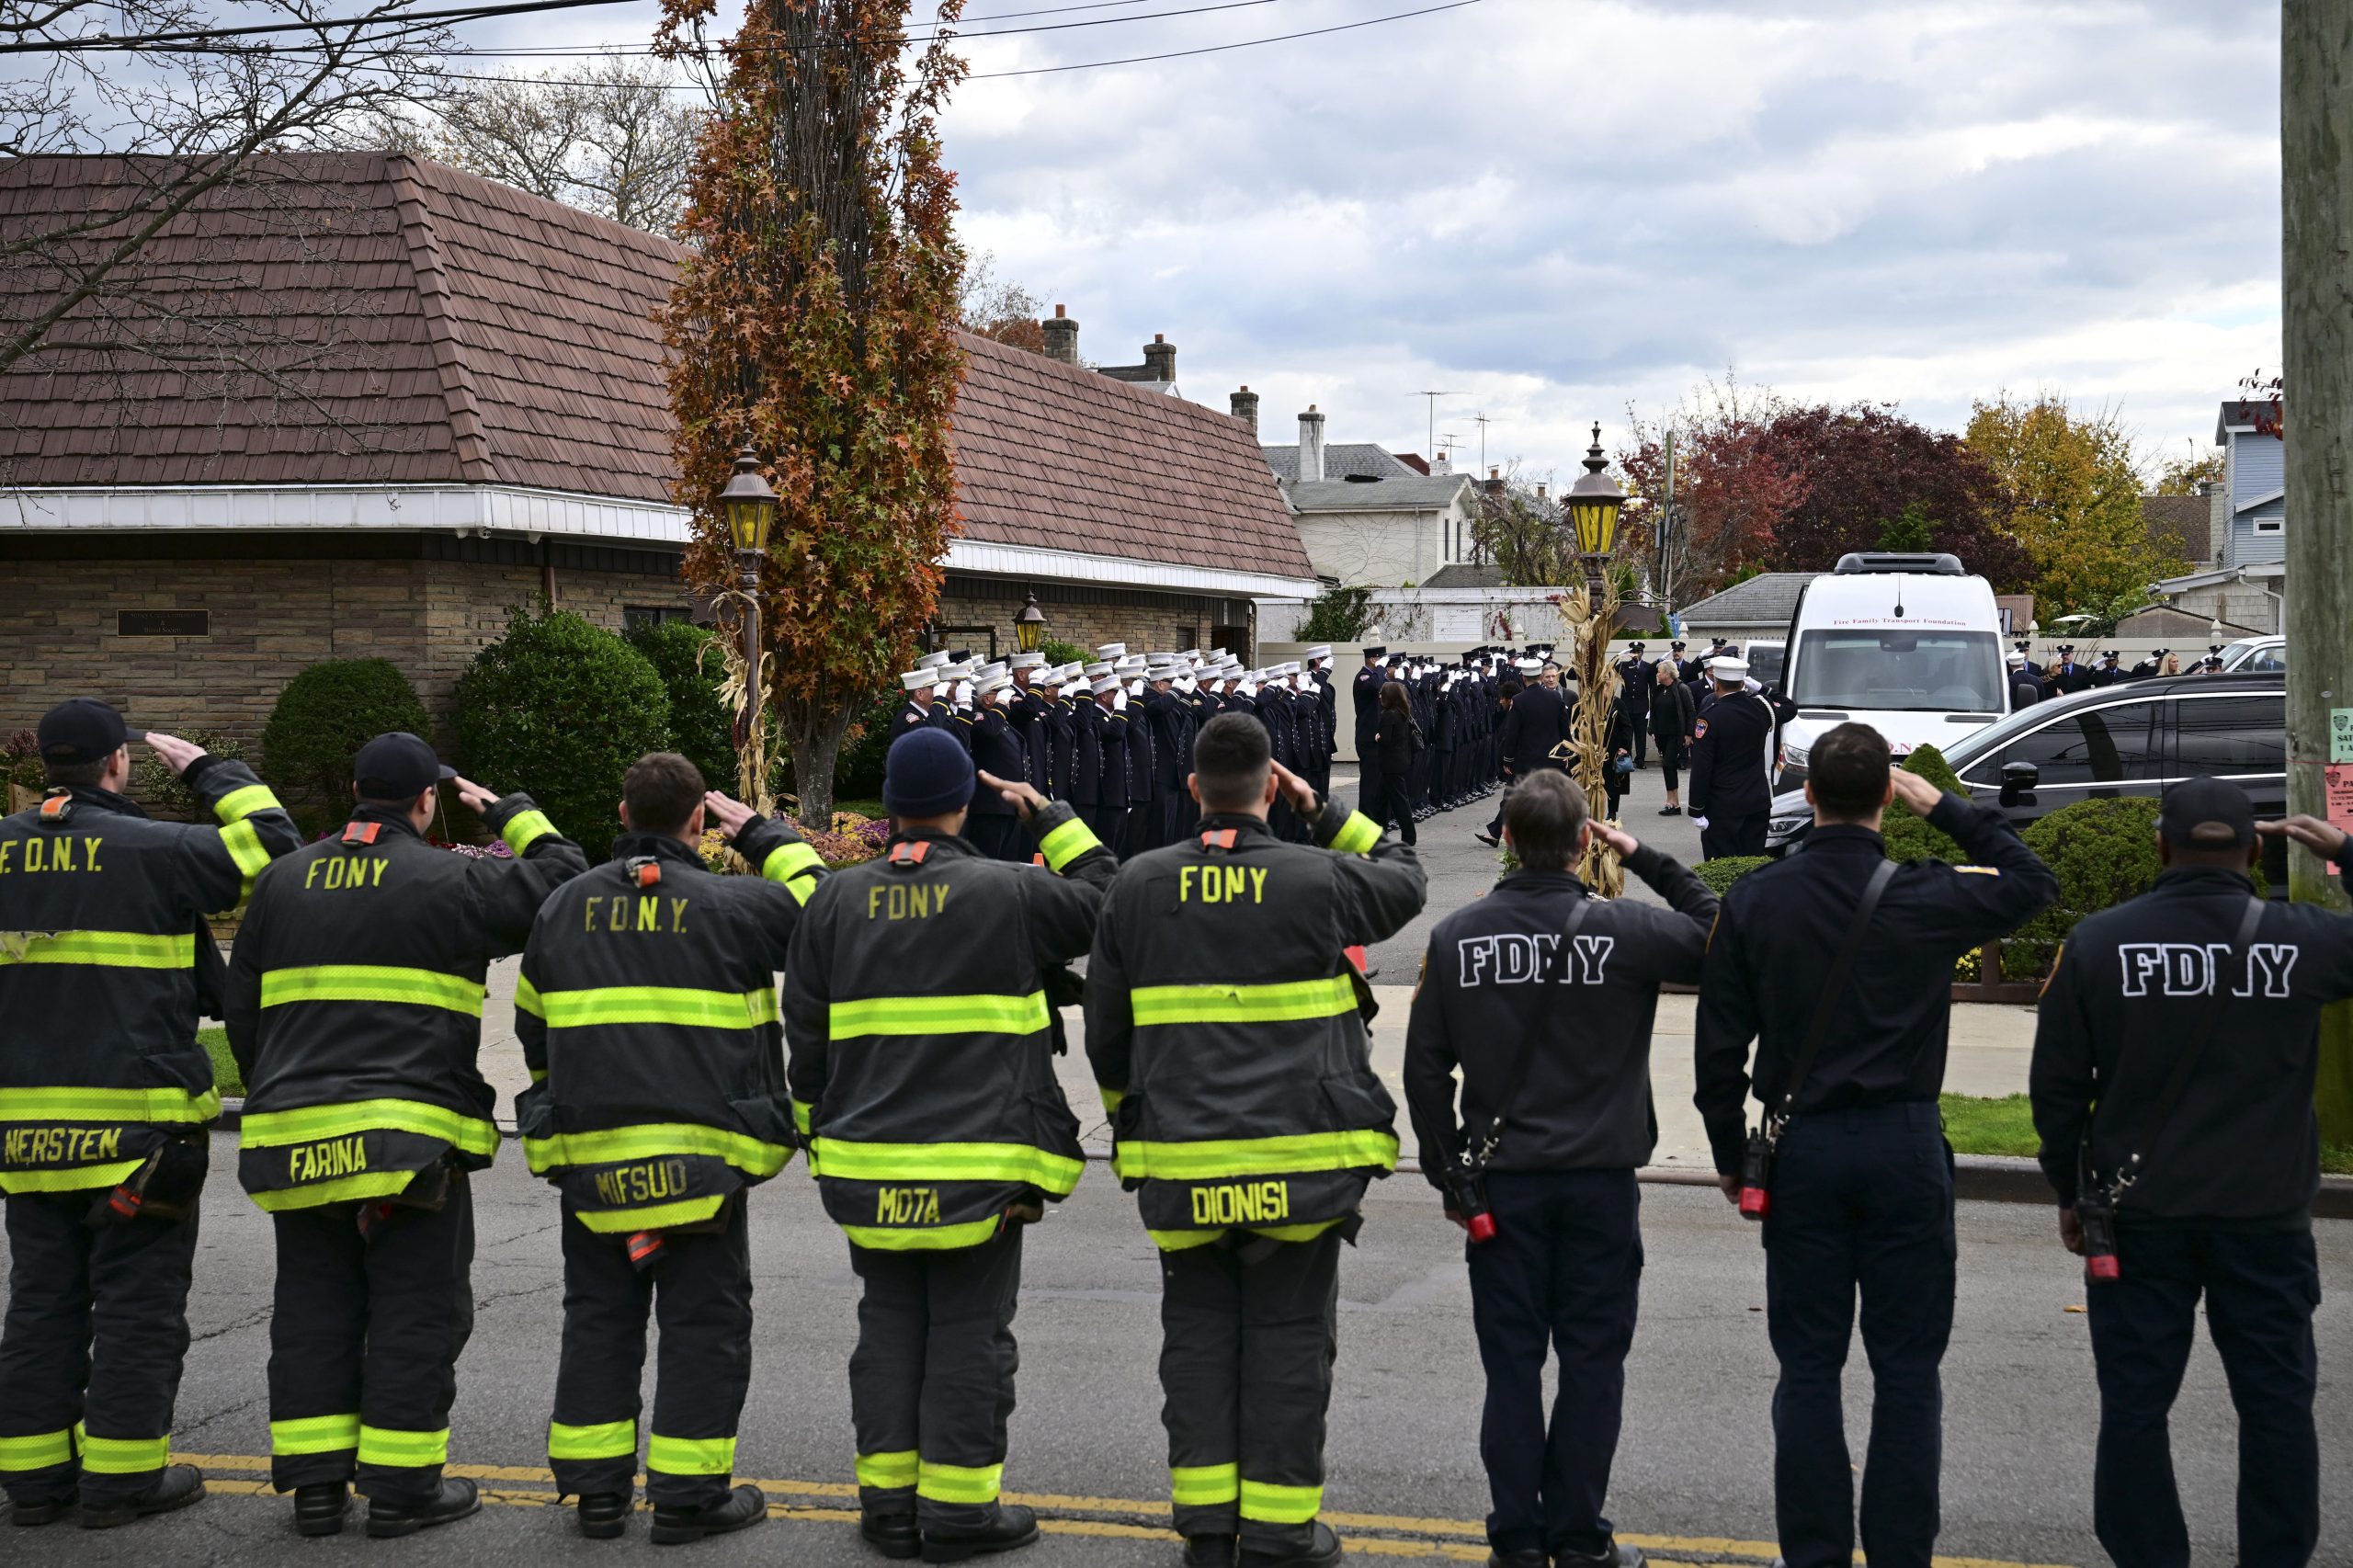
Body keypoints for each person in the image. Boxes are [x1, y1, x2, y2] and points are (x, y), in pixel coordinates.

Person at [1692, 723, 2055, 1568]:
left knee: (1809, 1369)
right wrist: (1953, 811)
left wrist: (1726, 1152)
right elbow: (2034, 882)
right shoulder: (1927, 894)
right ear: (1889, 797)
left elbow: (1719, 1053)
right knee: (1906, 1374)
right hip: (1902, 1144)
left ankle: (1814, 1553)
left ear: (1808, 796)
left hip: (1804, 1145)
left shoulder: (1758, 899)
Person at [222, 733, 588, 1538]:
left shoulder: (282, 883)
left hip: (296, 1136)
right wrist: (513, 815)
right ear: (427, 804)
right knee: (415, 1309)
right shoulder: (454, 877)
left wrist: (281, 1094)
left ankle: (317, 1489)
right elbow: (566, 884)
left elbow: (242, 1016)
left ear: (355, 788)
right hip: (411, 1144)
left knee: (314, 1306)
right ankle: (402, 1490)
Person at [1086, 715, 1427, 1568]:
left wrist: (1131, 1125)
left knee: (1197, 1340)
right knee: (1288, 1345)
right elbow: (1406, 877)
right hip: (1300, 1165)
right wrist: (1325, 815)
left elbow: (1106, 1033)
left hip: (1181, 1159)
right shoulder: (1320, 878)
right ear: (1272, 787)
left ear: (1193, 790)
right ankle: (1279, 1534)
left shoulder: (1136, 885)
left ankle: (1206, 1528)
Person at [783, 733, 1117, 1563]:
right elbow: (1111, 902)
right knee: (971, 1330)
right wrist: (1058, 821)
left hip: (868, 1165)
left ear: (888, 809)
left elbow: (807, 1043)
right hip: (982, 1168)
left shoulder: (834, 901)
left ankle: (890, 1510)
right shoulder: (1008, 892)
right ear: (965, 804)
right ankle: (962, 1512)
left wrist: (819, 1134)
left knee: (889, 1325)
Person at [2029, 781, 2353, 1568]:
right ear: (2255, 851)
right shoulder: (2303, 939)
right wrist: (2345, 853)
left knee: (2136, 1406)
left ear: (2160, 846)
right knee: (2276, 1405)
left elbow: (2060, 1090)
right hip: (2265, 1215)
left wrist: (2072, 1190)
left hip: (2140, 1215)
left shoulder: (2100, 943)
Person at [0, 700, 301, 1528]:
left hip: (23, 1133)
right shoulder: (155, 851)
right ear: (117, 765)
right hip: (139, 1129)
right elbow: (276, 852)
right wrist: (213, 773)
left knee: (41, 1303)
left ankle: (32, 1486)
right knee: (135, 1307)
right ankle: (121, 1482)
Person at [515, 754, 828, 1544]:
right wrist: (762, 834)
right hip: (705, 1167)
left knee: (598, 1319)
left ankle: (596, 1495)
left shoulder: (561, 908)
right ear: (698, 822)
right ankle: (690, 1499)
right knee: (703, 1326)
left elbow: (533, 1031)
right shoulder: (735, 905)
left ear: (623, 815)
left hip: (593, 1164)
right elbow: (829, 913)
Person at [1404, 773, 1715, 1568]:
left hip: (1501, 1185)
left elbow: (1426, 1071)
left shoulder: (1458, 936)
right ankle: (1578, 1537)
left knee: (1511, 1370)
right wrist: (1644, 855)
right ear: (1585, 842)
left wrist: (1450, 1175)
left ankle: (1516, 1538)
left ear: (1506, 840)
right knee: (1591, 1365)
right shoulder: (1628, 930)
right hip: (1599, 1183)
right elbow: (1723, 932)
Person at [1684, 657, 1776, 859]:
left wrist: (1696, 809)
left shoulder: (1709, 717)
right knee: (1751, 865)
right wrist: (1763, 689)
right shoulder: (1761, 708)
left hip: (1722, 806)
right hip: (1757, 802)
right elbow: (1789, 706)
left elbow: (1702, 767)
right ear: (1743, 683)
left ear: (1716, 682)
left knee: (1721, 868)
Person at [964, 668, 1029, 863]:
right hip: (990, 806)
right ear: (987, 700)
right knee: (988, 860)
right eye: (999, 695)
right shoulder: (980, 717)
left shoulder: (1001, 720)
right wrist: (1000, 705)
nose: (1006, 700)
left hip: (1007, 805)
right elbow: (987, 732)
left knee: (1005, 861)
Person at [1367, 679, 1421, 847]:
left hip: (1391, 764)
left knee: (1399, 802)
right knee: (1381, 801)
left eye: (1382, 694)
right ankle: (1379, 833)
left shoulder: (1389, 714)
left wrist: (1378, 737)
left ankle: (1409, 836)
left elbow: (1386, 740)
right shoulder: (1402, 712)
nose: (1380, 696)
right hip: (1397, 763)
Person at [1649, 661, 1696, 817]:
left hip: (1676, 735)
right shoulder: (1659, 690)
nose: (1657, 674)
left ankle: (1672, 803)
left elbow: (1690, 712)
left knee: (1668, 764)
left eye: (1659, 672)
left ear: (1668, 674)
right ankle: (1674, 802)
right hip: (1662, 735)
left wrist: (1689, 734)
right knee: (1668, 766)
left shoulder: (1682, 688)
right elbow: (1654, 712)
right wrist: (1653, 730)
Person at [1612, 643, 1652, 768]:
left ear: (1642, 653)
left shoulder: (1647, 667)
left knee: (1641, 736)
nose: (1636, 654)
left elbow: (1653, 687)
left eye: (1638, 651)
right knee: (1626, 734)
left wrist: (1652, 708)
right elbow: (1610, 668)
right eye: (1633, 651)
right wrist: (1619, 656)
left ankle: (1640, 760)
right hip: (1627, 706)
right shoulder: (1624, 666)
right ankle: (1626, 759)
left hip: (1642, 707)